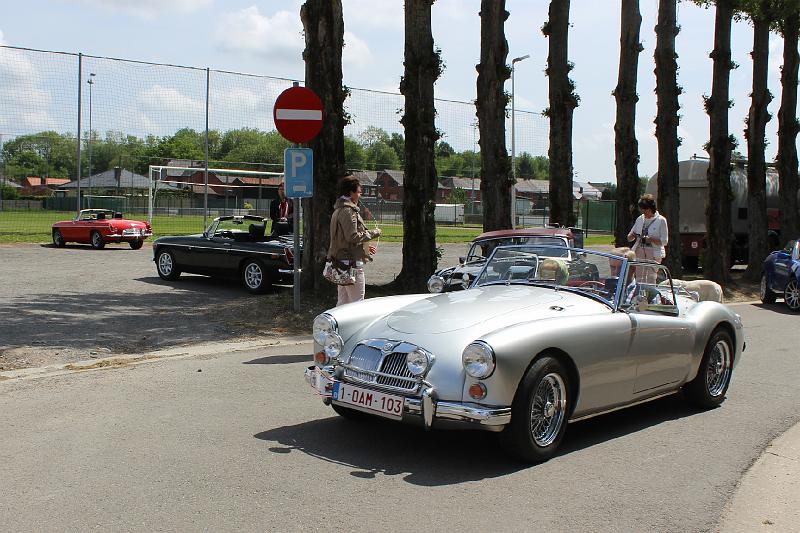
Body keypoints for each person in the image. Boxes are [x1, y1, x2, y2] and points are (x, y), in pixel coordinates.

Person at [328, 176, 381, 306]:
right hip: (350, 264)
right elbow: (352, 236)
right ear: (351, 193)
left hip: (342, 262)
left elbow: (345, 239)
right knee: (357, 304)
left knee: (343, 302)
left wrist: (365, 249)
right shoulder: (348, 210)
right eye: (359, 192)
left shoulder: (340, 208)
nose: (360, 195)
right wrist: (375, 232)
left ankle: (338, 326)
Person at [627, 194, 668, 264]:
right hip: (639, 251)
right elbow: (629, 238)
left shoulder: (661, 220)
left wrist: (650, 239)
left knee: (651, 275)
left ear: (651, 208)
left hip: (654, 253)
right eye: (642, 209)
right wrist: (633, 236)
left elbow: (664, 242)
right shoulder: (640, 219)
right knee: (639, 274)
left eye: (646, 210)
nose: (643, 212)